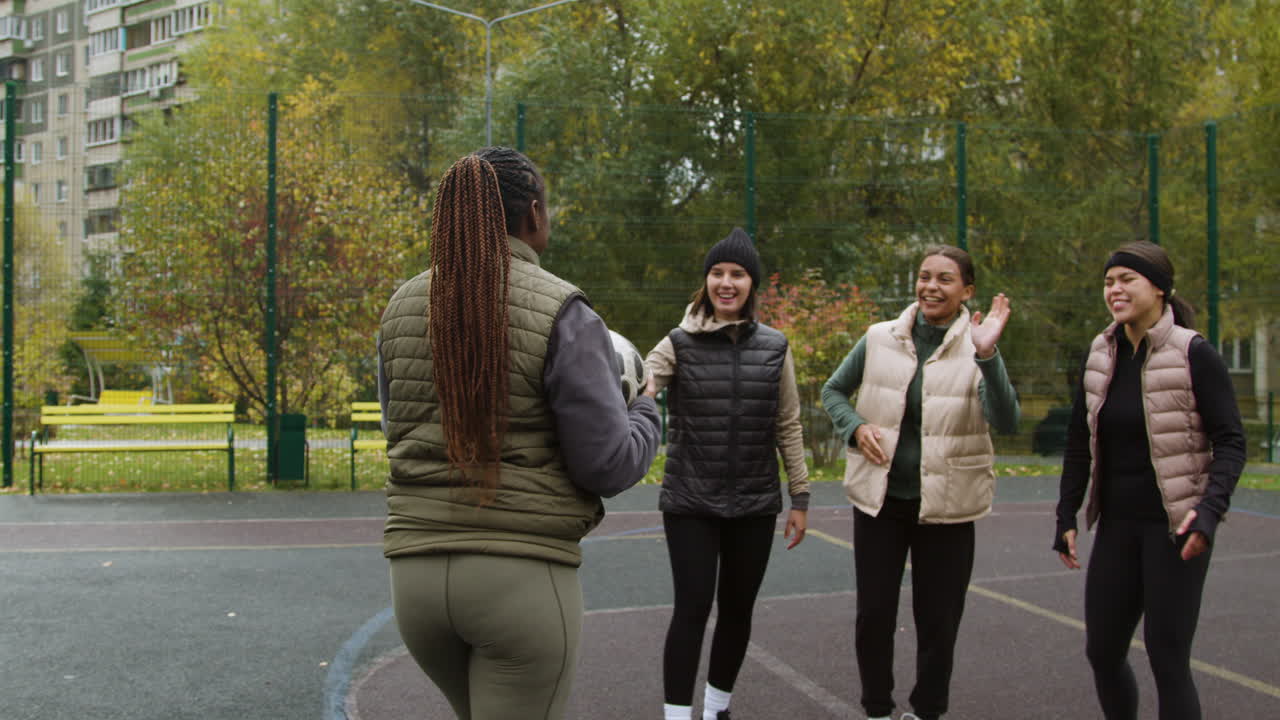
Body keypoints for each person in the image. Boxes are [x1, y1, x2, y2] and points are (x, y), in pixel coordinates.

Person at [377, 147, 662, 720]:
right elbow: (605, 464)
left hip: (415, 585)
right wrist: (648, 412)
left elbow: (398, 429)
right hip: (521, 580)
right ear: (533, 213)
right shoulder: (564, 310)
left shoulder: (401, 305)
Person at [821, 245, 1019, 720]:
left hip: (947, 506)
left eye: (945, 279)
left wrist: (988, 354)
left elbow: (1007, 420)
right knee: (874, 617)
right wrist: (855, 426)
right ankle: (877, 710)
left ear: (967, 290)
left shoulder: (979, 345)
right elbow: (833, 391)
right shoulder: (879, 338)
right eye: (925, 276)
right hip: (881, 502)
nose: (931, 286)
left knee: (938, 623)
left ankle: (927, 711)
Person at [1054, 240, 1245, 720]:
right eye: (1108, 281)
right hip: (1117, 525)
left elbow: (1231, 442)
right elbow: (1080, 440)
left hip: (1176, 529)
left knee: (1167, 658)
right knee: (1102, 652)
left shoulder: (1193, 354)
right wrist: (1066, 516)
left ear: (1159, 288)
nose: (1114, 289)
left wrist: (1208, 513)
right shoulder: (1100, 353)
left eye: (1126, 279)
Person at [642, 227, 810, 720]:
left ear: (752, 284)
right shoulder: (679, 342)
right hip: (690, 501)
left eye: (737, 273)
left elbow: (789, 423)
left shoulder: (776, 347)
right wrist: (636, 387)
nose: (727, 282)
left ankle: (717, 709)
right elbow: (645, 378)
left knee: (738, 611)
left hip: (755, 503)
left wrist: (799, 498)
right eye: (718, 272)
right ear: (706, 282)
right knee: (692, 609)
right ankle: (676, 715)